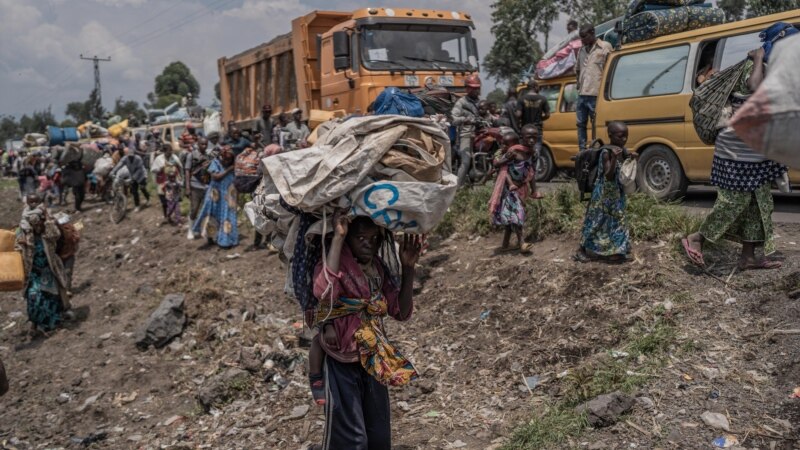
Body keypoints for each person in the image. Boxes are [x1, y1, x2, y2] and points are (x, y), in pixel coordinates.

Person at [683, 24, 794, 271]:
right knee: (733, 201)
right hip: (736, 152)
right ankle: (697, 238)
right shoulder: (754, 66)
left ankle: (749, 257)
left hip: (758, 151)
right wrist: (758, 60)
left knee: (759, 203)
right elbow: (756, 90)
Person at [310, 214, 422, 449]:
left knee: (379, 436)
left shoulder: (377, 268)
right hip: (341, 358)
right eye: (360, 237)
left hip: (373, 356)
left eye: (373, 238)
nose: (367, 243)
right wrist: (338, 239)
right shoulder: (335, 263)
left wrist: (408, 268)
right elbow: (325, 293)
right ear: (348, 238)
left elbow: (400, 312)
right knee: (352, 440)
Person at [575, 121, 636, 262]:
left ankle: (617, 251)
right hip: (602, 195)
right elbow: (608, 175)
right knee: (595, 222)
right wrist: (614, 158)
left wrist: (631, 158)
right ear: (610, 135)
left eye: (626, 136)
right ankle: (581, 249)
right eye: (621, 136)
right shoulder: (606, 152)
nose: (624, 139)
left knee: (618, 221)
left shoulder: (622, 150)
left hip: (616, 195)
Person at [15, 199, 70, 335]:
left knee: (51, 298)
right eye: (34, 225)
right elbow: (16, 247)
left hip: (49, 270)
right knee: (33, 298)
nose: (37, 227)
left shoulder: (48, 232)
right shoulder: (24, 232)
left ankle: (51, 325)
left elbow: (56, 235)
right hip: (33, 272)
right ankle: (37, 323)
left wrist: (47, 219)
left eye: (39, 223)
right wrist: (21, 245)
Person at [489, 126, 537, 254]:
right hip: (509, 189)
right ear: (522, 138)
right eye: (529, 137)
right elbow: (499, 166)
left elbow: (532, 173)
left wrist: (534, 190)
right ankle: (522, 243)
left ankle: (505, 245)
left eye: (534, 137)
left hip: (521, 188)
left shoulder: (531, 153)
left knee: (512, 219)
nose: (532, 140)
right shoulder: (513, 152)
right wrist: (503, 159)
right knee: (517, 215)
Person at [575, 24, 614, 151]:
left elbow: (611, 69)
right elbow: (578, 70)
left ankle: (595, 148)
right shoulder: (581, 50)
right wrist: (578, 84)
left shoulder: (605, 47)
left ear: (592, 33)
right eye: (581, 38)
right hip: (582, 94)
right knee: (580, 124)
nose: (582, 40)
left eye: (584, 37)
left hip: (596, 94)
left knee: (595, 123)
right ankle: (582, 149)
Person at [192, 146, 238, 249]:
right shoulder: (215, 163)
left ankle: (226, 241)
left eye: (229, 159)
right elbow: (215, 177)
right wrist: (228, 170)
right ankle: (210, 239)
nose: (227, 161)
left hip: (229, 195)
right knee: (211, 215)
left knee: (228, 217)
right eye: (225, 159)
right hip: (215, 195)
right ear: (222, 156)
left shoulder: (233, 165)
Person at [451, 74, 483, 186]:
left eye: (477, 88)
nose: (475, 90)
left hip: (481, 133)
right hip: (467, 134)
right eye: (473, 88)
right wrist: (465, 120)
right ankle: (457, 188)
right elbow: (453, 119)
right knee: (466, 161)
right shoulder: (461, 102)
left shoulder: (481, 102)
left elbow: (489, 115)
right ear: (467, 88)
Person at [185, 137, 212, 238]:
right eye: (202, 144)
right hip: (195, 185)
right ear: (198, 144)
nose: (204, 146)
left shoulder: (208, 156)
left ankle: (203, 230)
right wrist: (187, 188)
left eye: (206, 144)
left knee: (206, 210)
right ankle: (190, 230)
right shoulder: (191, 155)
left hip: (206, 186)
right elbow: (187, 172)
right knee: (194, 209)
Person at [516, 80, 550, 154]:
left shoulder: (521, 99)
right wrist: (541, 118)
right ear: (535, 87)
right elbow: (547, 115)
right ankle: (536, 164)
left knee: (524, 151)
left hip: (525, 130)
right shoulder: (543, 99)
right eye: (538, 87)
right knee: (536, 150)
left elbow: (518, 115)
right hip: (537, 129)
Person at [110, 146, 150, 211]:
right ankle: (137, 205)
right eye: (129, 156)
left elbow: (140, 169)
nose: (130, 157)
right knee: (134, 191)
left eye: (132, 156)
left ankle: (148, 199)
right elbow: (119, 165)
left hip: (141, 175)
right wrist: (113, 171)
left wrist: (134, 177)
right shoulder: (125, 158)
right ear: (127, 155)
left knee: (143, 188)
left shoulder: (138, 158)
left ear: (134, 154)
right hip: (132, 175)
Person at [151, 143, 183, 221]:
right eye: (169, 151)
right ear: (164, 151)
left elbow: (180, 167)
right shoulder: (159, 159)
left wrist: (180, 178)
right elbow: (153, 169)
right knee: (164, 201)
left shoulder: (174, 157)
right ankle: (166, 216)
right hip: (162, 182)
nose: (170, 153)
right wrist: (161, 168)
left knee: (175, 200)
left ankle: (177, 217)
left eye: (171, 151)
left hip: (173, 182)